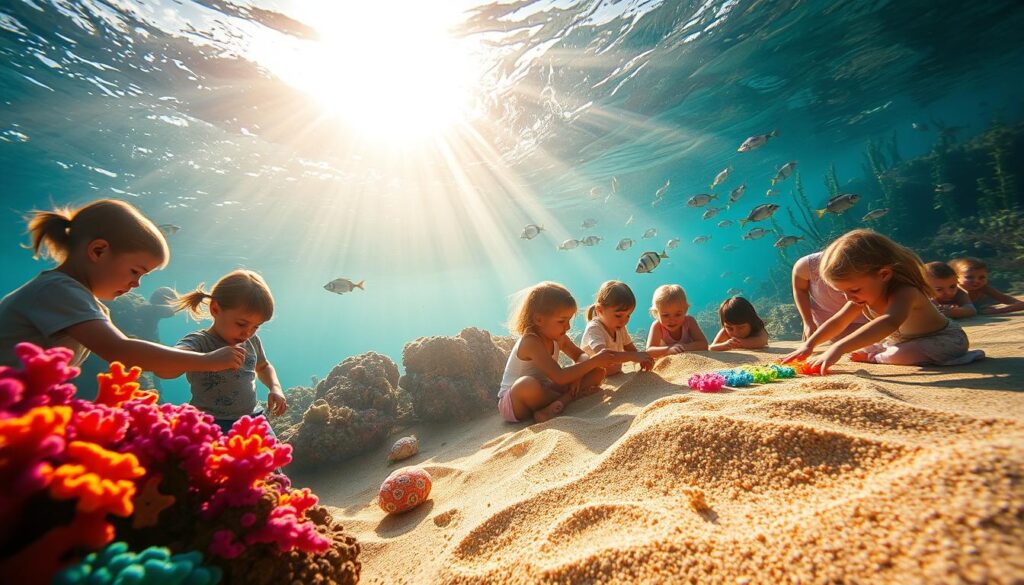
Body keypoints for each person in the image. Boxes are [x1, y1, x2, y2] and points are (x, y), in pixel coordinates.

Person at [0, 199, 244, 375]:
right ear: (98, 250)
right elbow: (121, 350)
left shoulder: (76, 298)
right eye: (135, 271)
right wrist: (206, 360)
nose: (136, 283)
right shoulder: (59, 291)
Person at [783, 229, 984, 371]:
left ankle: (877, 358)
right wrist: (810, 344)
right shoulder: (860, 297)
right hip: (901, 340)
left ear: (884, 274)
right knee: (872, 346)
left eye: (853, 289)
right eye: (841, 292)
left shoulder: (905, 292)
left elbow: (888, 322)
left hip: (943, 339)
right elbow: (839, 321)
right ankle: (880, 353)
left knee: (899, 355)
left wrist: (839, 347)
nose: (848, 297)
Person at [171, 270, 287, 434]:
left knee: (274, 458)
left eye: (256, 327)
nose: (247, 333)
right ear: (215, 309)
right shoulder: (199, 342)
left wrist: (275, 387)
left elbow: (263, 366)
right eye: (241, 324)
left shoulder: (251, 341)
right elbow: (165, 370)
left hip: (253, 417)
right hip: (208, 423)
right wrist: (208, 360)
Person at [498, 282, 622, 424]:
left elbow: (581, 355)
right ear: (538, 319)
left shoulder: (558, 338)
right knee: (527, 384)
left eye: (569, 320)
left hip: (546, 389)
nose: (568, 327)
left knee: (598, 372)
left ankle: (555, 405)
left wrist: (579, 375)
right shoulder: (531, 342)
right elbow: (560, 377)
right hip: (516, 403)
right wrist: (594, 361)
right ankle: (568, 397)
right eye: (562, 321)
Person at [579, 280, 654, 375]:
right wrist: (633, 356)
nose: (624, 321)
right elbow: (604, 356)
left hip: (615, 375)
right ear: (600, 310)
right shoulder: (594, 328)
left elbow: (630, 349)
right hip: (591, 376)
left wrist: (642, 359)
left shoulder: (620, 327)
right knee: (597, 374)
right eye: (618, 315)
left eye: (628, 315)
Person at [792, 251, 869, 341]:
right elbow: (800, 290)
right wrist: (808, 322)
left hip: (866, 319)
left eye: (855, 289)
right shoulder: (807, 266)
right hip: (825, 322)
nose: (847, 298)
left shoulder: (869, 267)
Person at [645, 284, 708, 357]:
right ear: (656, 313)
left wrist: (683, 347)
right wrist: (668, 349)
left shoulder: (689, 321)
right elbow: (649, 350)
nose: (672, 320)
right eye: (665, 315)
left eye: (677, 315)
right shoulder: (657, 326)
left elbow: (703, 344)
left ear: (685, 310)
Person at [949, 257, 1024, 315]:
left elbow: (1020, 304)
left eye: (982, 277)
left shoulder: (984, 289)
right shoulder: (951, 291)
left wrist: (998, 311)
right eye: (969, 277)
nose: (976, 281)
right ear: (956, 278)